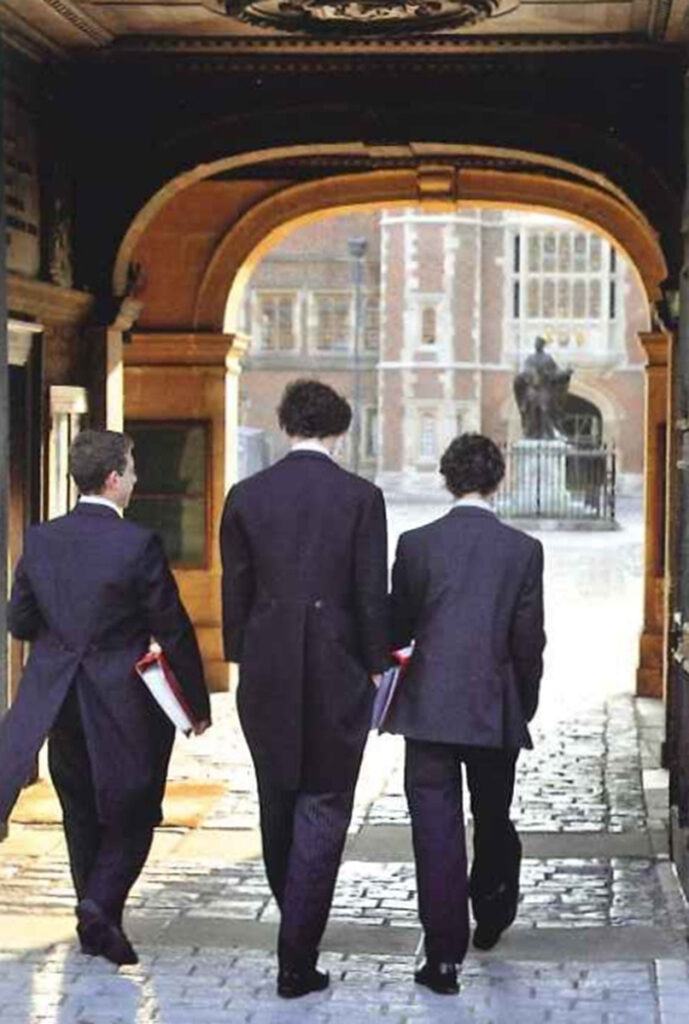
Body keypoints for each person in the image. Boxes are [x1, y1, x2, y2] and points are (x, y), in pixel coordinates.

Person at [0, 429, 211, 965]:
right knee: (136, 806)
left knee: (78, 807)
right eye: (133, 471)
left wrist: (63, 638)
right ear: (114, 479)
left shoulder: (42, 539)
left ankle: (96, 923)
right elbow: (173, 628)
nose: (136, 480)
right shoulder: (138, 544)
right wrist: (196, 706)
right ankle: (99, 905)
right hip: (123, 701)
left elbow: (19, 620)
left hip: (58, 699)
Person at [221, 378, 389, 999]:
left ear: (286, 425)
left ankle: (295, 921)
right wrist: (376, 662)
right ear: (340, 430)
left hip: (266, 670)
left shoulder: (246, 495)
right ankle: (297, 955)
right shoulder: (361, 497)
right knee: (325, 802)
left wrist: (242, 651)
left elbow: (234, 589)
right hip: (337, 669)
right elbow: (370, 592)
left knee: (276, 799)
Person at [387, 433, 545, 996]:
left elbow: (396, 630)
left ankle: (443, 957)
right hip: (493, 707)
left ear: (447, 479)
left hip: (428, 709)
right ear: (499, 480)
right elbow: (529, 640)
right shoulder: (522, 550)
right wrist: (522, 702)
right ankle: (493, 909)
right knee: (493, 815)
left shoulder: (415, 545)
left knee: (436, 830)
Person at [513, 336, 572, 439]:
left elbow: (555, 372)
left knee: (545, 409)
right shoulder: (530, 358)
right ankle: (531, 433)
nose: (537, 345)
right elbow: (525, 371)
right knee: (532, 410)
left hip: (544, 388)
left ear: (542, 345)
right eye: (536, 343)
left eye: (539, 343)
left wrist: (565, 373)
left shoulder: (547, 358)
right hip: (533, 388)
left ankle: (547, 433)